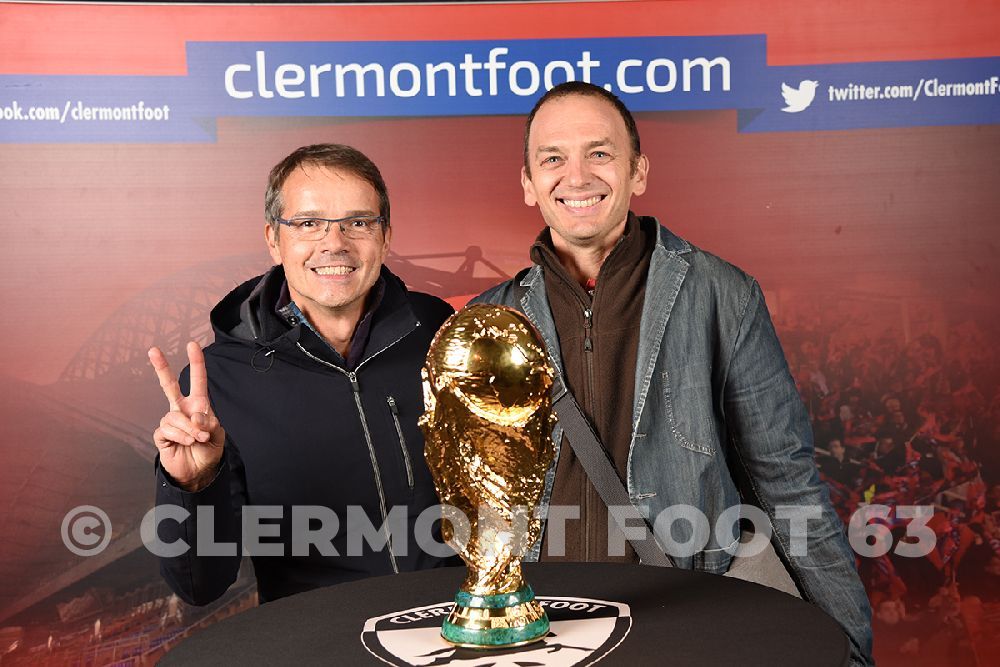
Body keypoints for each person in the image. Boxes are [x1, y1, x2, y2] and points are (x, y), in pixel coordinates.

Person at [473, 81, 873, 665]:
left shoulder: (722, 295)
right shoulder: (490, 319)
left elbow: (786, 482)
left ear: (638, 172)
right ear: (529, 184)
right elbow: (482, 502)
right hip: (541, 629)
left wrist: (851, 644)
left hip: (683, 617)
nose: (577, 175)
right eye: (553, 158)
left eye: (600, 153)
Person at [149, 144, 455, 605]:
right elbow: (199, 586)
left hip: (456, 628)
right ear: (274, 239)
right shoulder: (217, 384)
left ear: (386, 236)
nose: (335, 243)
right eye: (309, 224)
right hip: (321, 643)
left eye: (358, 222)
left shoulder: (438, 331)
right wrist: (193, 487)